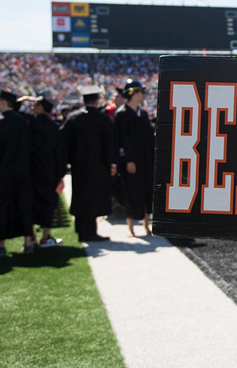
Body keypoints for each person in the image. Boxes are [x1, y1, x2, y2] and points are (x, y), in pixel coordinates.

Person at [61, 86, 115, 242]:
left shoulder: (73, 118)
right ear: (97, 101)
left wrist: (69, 161)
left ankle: (81, 232)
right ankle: (91, 231)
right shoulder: (102, 118)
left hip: (78, 166)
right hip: (98, 166)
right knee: (93, 198)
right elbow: (109, 143)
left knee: (80, 197)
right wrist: (109, 162)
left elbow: (65, 141)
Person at [114, 79, 155, 237]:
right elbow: (121, 139)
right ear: (134, 93)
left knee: (146, 191)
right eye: (141, 92)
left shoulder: (142, 113)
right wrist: (128, 159)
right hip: (131, 161)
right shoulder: (122, 114)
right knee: (130, 191)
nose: (143, 94)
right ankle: (131, 227)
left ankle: (146, 225)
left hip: (146, 160)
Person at [27, 90, 68, 247]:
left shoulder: (30, 123)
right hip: (50, 171)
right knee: (49, 203)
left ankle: (30, 236)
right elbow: (61, 153)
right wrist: (61, 175)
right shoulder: (55, 127)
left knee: (31, 202)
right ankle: (45, 237)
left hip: (31, 169)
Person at [0, 88, 34, 256]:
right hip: (23, 170)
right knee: (24, 204)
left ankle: (1, 245)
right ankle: (28, 242)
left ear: (4, 103)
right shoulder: (23, 121)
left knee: (2, 206)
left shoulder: (1, 122)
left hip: (4, 171)